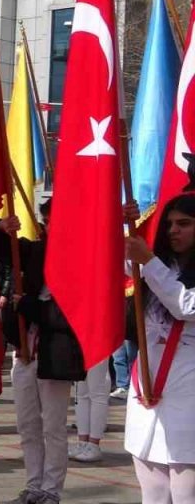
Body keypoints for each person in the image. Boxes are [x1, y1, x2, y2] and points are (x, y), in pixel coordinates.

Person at [0, 201, 85, 504]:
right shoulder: (36, 252)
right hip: (24, 350)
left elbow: (70, 315)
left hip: (55, 354)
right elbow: (4, 249)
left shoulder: (80, 259)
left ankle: (51, 489)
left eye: (55, 221)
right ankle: (34, 484)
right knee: (27, 424)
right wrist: (2, 229)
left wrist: (29, 306)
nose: (50, 227)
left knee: (53, 427)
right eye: (46, 221)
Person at [123, 194, 195, 504]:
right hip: (145, 396)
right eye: (169, 224)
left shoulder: (154, 268)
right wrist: (124, 223)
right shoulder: (158, 266)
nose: (173, 230)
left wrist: (148, 262)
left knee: (185, 495)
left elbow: (186, 306)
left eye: (184, 224)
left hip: (188, 399)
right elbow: (112, 260)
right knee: (152, 494)